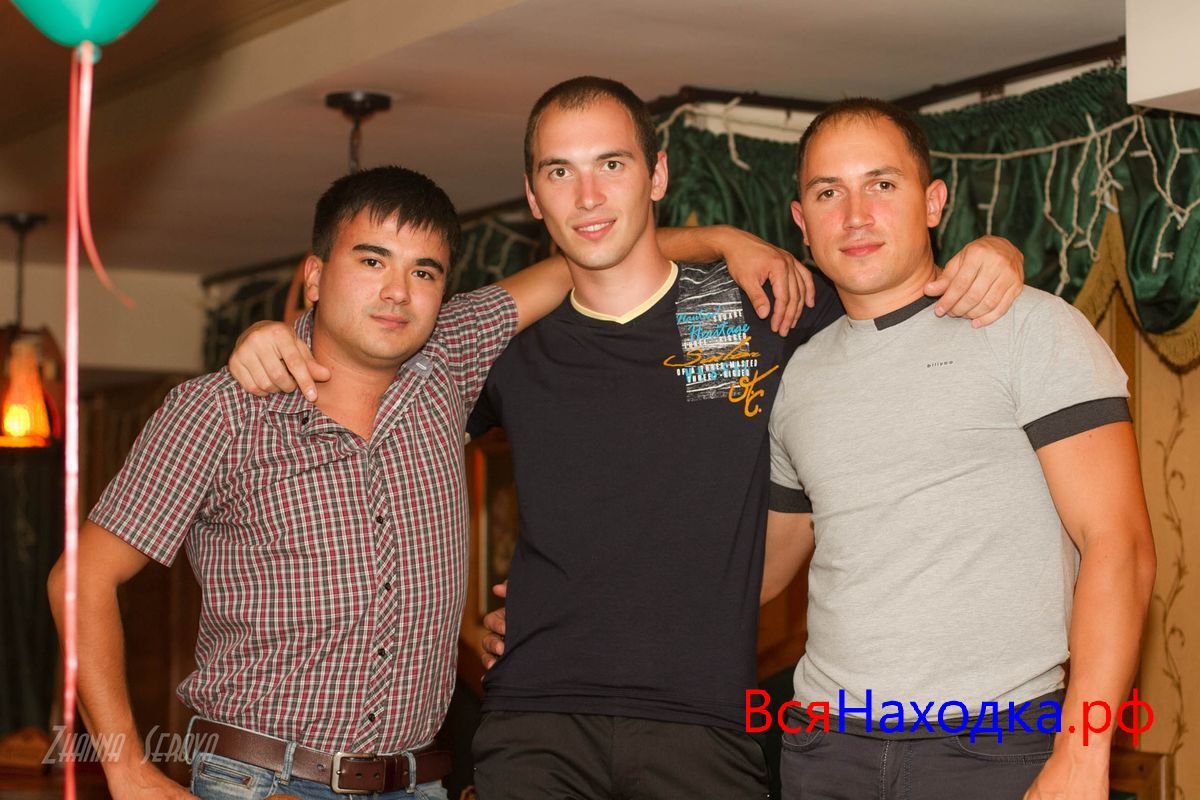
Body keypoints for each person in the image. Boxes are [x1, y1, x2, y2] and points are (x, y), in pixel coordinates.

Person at [230, 77, 1025, 798]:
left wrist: (997, 255)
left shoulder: (757, 301)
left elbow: (898, 297)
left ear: (657, 175)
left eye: (611, 164)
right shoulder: (504, 345)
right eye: (560, 172)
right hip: (535, 723)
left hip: (708, 723)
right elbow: (361, 393)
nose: (588, 196)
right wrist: (277, 336)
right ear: (533, 196)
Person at [46, 165, 591, 800]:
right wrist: (125, 768)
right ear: (314, 276)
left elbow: (578, 264)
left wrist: (699, 241)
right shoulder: (222, 410)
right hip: (261, 781)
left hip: (418, 782)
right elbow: (80, 581)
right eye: (372, 261)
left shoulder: (449, 360)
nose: (397, 291)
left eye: (424, 272)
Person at [763, 98, 1156, 800]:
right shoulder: (799, 376)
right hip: (825, 751)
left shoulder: (1028, 328)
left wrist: (1083, 753)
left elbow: (1118, 544)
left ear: (934, 202)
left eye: (882, 184)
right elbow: (761, 571)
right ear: (802, 221)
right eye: (828, 193)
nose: (855, 215)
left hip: (995, 747)